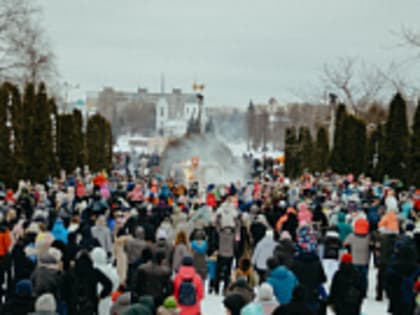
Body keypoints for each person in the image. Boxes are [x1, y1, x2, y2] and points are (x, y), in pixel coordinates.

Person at [65, 250, 112, 315]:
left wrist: (68, 299)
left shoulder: (71, 272)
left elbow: (64, 288)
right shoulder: (94, 272)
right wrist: (101, 296)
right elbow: (109, 284)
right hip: (90, 304)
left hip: (74, 305)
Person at [386, 243, 420, 315]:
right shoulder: (417, 269)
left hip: (396, 299)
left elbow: (388, 285)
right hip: (411, 299)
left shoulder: (393, 268)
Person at [343, 218, 370, 298]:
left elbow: (345, 244)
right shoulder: (368, 236)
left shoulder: (351, 236)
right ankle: (363, 292)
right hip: (365, 260)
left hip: (354, 259)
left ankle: (355, 290)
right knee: (364, 277)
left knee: (354, 276)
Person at [90, 247, 120, 315]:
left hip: (95, 301)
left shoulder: (91, 271)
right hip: (110, 299)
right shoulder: (112, 270)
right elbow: (116, 283)